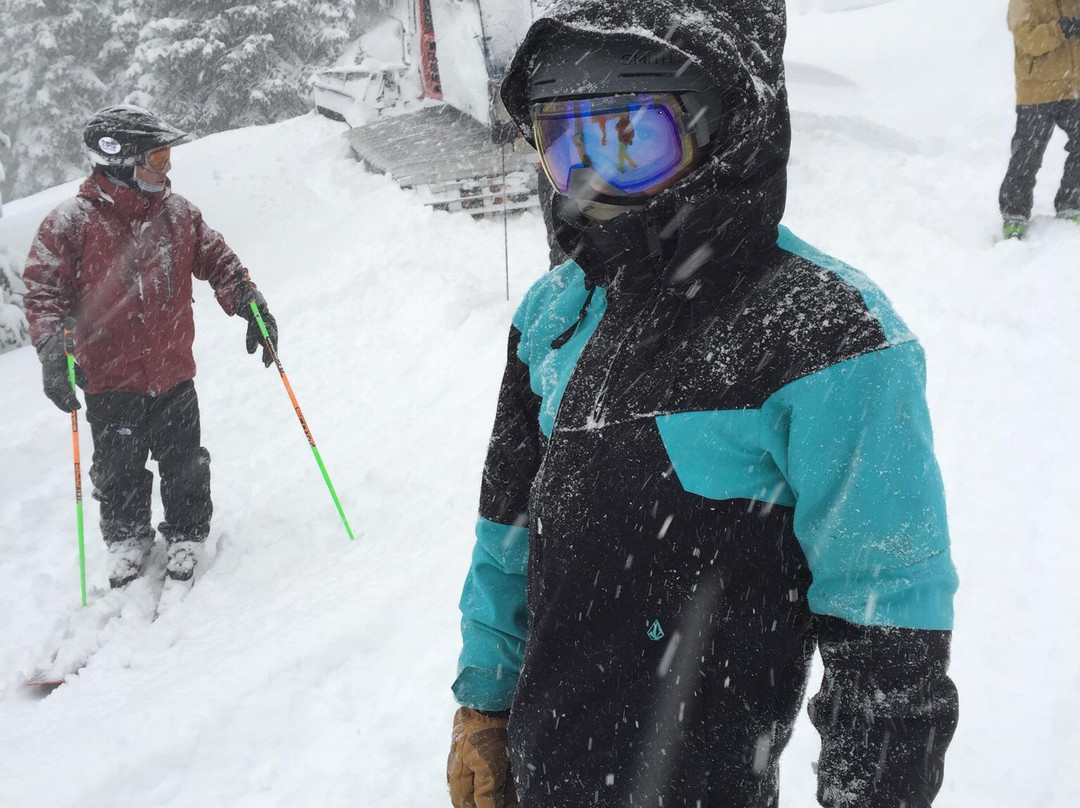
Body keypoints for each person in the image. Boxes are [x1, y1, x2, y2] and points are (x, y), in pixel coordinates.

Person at [447, 2, 959, 808]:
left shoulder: (828, 337)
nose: (593, 180)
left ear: (724, 126)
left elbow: (887, 632)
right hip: (545, 770)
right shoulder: (554, 314)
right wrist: (483, 705)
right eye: (564, 143)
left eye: (630, 140)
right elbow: (507, 529)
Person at [23, 105, 279, 589]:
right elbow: (43, 292)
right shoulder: (70, 223)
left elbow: (218, 261)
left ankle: (186, 532)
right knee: (118, 470)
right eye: (157, 158)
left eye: (166, 158)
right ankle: (126, 538)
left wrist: (248, 302)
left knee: (184, 461)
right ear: (120, 161)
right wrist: (52, 351)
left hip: (173, 372)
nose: (166, 168)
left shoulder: (178, 214)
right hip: (110, 378)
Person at [1000, 0, 1080, 239]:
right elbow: (1028, 40)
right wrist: (1062, 28)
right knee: (1028, 153)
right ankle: (1014, 212)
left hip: (1074, 88)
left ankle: (1071, 201)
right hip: (1037, 91)